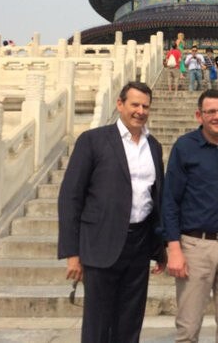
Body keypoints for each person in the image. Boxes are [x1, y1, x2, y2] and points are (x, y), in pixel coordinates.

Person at [57, 81, 167, 343]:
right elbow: (70, 197)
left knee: (130, 320)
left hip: (139, 244)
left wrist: (159, 247)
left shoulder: (154, 146)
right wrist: (73, 253)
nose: (140, 111)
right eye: (135, 105)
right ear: (120, 104)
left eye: (145, 106)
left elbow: (155, 199)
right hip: (101, 243)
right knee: (98, 321)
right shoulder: (93, 140)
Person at [162, 89, 218, 342]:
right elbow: (170, 200)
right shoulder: (184, 147)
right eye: (210, 112)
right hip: (195, 246)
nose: (217, 116)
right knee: (189, 328)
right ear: (199, 115)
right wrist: (174, 248)